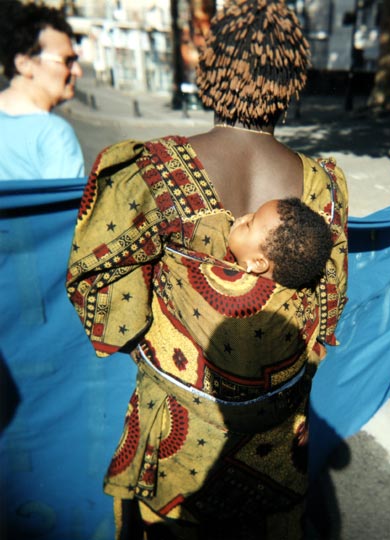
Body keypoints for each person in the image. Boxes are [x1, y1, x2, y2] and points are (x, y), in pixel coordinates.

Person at [66, 1, 348, 538]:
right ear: (293, 82)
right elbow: (324, 312)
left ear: (209, 68)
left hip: (175, 436)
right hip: (274, 440)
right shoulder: (324, 188)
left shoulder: (149, 171)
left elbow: (107, 310)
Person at [0, 0, 84, 180]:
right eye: (67, 61)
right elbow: (67, 207)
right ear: (25, 64)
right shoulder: (54, 134)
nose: (78, 71)